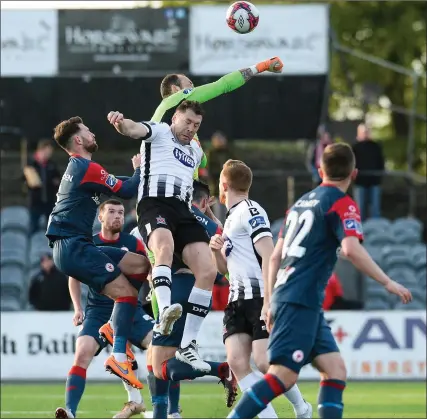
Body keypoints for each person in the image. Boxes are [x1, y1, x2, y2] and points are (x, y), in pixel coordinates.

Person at [227, 143, 412, 419]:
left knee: (335, 370)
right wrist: (388, 282)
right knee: (281, 376)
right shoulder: (341, 203)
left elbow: (275, 257)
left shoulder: (299, 204)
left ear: (320, 169)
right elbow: (350, 249)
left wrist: (269, 299)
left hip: (296, 299)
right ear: (354, 173)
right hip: (300, 300)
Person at [107, 101, 217, 371]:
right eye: (187, 122)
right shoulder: (158, 131)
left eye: (197, 126)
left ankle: (189, 345)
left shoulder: (194, 149)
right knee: (164, 247)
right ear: (175, 117)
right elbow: (133, 129)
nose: (191, 129)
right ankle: (165, 311)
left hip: (183, 209)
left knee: (208, 270)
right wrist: (121, 123)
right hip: (155, 204)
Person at [46, 116, 151, 390]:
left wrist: (141, 177)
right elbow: (127, 190)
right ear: (78, 140)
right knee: (127, 294)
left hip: (72, 247)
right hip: (75, 246)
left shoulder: (78, 169)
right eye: (88, 130)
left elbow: (119, 183)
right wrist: (141, 168)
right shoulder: (85, 166)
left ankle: (116, 326)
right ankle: (118, 354)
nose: (93, 133)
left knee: (141, 266)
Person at [209, 160, 311, 419]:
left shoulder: (251, 210)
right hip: (236, 300)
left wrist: (269, 300)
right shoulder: (231, 218)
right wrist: (214, 251)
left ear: (224, 185)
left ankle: (302, 408)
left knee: (265, 362)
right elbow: (225, 270)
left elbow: (268, 254)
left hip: (258, 297)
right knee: (236, 362)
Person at [136, 180, 238, 419]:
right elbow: (222, 247)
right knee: (159, 356)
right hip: (193, 290)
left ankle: (221, 370)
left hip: (175, 289)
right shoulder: (209, 226)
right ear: (205, 201)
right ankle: (170, 412)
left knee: (161, 365)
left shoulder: (169, 214)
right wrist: (211, 215)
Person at [55, 199, 154, 419]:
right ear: (100, 217)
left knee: (159, 346)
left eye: (120, 212)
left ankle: (162, 407)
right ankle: (70, 411)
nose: (117, 216)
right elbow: (74, 277)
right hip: (98, 310)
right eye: (111, 212)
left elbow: (147, 270)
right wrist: (78, 308)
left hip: (130, 308)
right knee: (82, 353)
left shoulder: (132, 243)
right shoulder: (87, 244)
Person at [151, 57, 284, 179]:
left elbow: (202, 162)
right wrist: (261, 66)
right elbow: (223, 85)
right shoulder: (179, 98)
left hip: (168, 187)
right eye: (190, 84)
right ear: (175, 89)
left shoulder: (163, 118)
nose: (194, 88)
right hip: (169, 190)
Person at [23, 138, 60, 234]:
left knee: (50, 228)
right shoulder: (31, 164)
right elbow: (29, 182)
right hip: (35, 202)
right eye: (48, 151)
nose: (49, 154)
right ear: (41, 150)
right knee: (33, 227)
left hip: (49, 201)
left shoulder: (51, 164)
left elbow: (57, 179)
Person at [352, 123, 385, 220]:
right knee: (359, 207)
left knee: (375, 207)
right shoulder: (355, 147)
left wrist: (379, 175)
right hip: (360, 181)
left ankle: (375, 227)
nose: (365, 134)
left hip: (374, 181)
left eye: (366, 132)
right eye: (363, 132)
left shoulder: (375, 146)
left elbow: (381, 161)